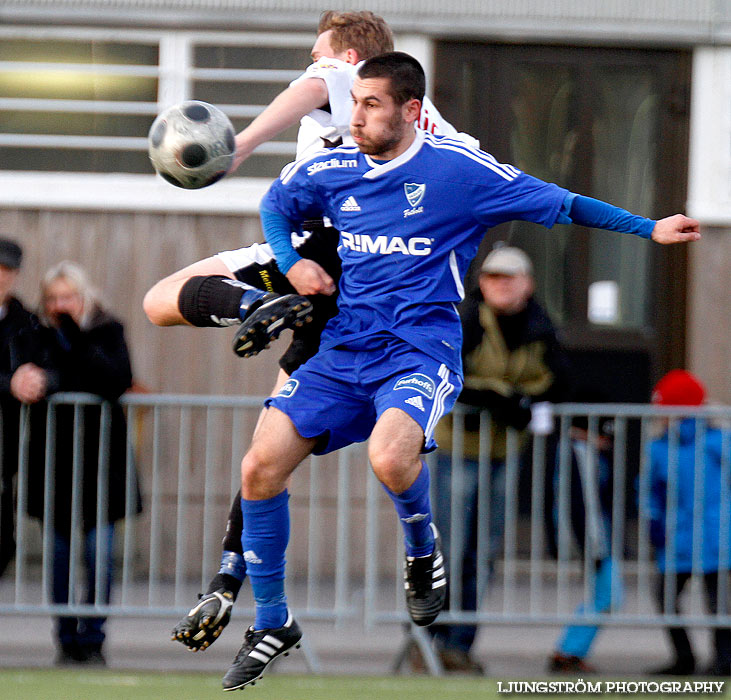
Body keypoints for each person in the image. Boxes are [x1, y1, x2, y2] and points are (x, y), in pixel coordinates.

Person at [218, 51, 699, 690]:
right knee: (258, 467)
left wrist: (648, 228)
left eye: (370, 105)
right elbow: (278, 202)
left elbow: (564, 202)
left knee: (390, 458)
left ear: (411, 110)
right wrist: (291, 261)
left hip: (418, 350)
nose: (353, 117)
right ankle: (273, 621)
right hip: (344, 350)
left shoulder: (460, 173)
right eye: (352, 102)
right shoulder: (333, 169)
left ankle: (423, 552)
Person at [143, 10, 476, 654]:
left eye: (318, 55)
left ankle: (254, 309)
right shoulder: (431, 126)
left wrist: (237, 147)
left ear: (349, 58)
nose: (312, 67)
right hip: (360, 283)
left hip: (322, 257)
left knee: (161, 301)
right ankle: (229, 575)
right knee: (268, 451)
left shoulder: (348, 78)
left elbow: (313, 87)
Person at [420, 245, 570, 674]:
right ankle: (428, 638)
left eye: (507, 277)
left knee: (483, 551)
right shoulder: (465, 319)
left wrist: (516, 400)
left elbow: (560, 381)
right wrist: (502, 397)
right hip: (457, 450)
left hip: (505, 452)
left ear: (528, 283)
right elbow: (447, 373)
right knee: (447, 547)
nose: (497, 285)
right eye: (490, 277)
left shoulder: (540, 325)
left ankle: (460, 643)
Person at [19, 261, 141, 666]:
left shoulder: (108, 329)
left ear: (83, 295)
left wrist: (73, 335)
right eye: (53, 299)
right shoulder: (35, 334)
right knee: (57, 557)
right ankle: (66, 639)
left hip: (101, 466)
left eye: (67, 297)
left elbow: (113, 380)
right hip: (53, 463)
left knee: (98, 555)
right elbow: (44, 379)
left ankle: (94, 638)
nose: (60, 306)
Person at [645, 369, 730, 677]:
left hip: (714, 535)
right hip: (677, 534)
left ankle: (724, 660)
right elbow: (649, 488)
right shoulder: (659, 446)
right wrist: (652, 518)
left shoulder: (717, 441)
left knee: (719, 603)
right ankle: (684, 657)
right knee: (665, 596)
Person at [546, 389, 623, 674]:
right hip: (591, 539)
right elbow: (584, 505)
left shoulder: (582, 452)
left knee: (606, 595)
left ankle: (569, 651)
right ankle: (567, 652)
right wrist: (595, 546)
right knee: (609, 595)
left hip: (593, 537)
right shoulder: (578, 453)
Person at [0, 238, 35, 576]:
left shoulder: (24, 320)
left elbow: (48, 359)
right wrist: (9, 382)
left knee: (2, 542)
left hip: (5, 446)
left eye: (7, 269)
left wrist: (40, 378)